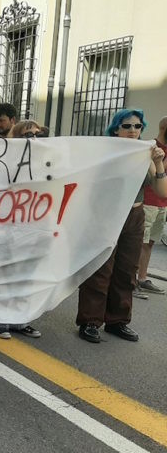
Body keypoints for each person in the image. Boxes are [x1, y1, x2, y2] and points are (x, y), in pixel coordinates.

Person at [77, 109, 166, 343]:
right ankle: (90, 321)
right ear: (116, 128)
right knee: (101, 267)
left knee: (127, 270)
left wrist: (158, 163)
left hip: (135, 215)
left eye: (137, 126)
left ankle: (118, 320)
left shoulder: (146, 153)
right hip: (108, 214)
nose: (133, 130)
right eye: (127, 126)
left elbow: (162, 191)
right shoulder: (107, 151)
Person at [0, 120, 44, 339]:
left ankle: (20, 320)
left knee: (27, 276)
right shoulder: (4, 161)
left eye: (37, 134)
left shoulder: (45, 162)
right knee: (6, 274)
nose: (34, 138)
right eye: (28, 135)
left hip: (34, 226)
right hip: (8, 225)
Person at [135, 116, 167, 296]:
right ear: (164, 128)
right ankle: (131, 280)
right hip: (148, 201)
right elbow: (156, 174)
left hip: (163, 202)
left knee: (151, 242)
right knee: (140, 242)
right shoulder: (151, 147)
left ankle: (142, 278)